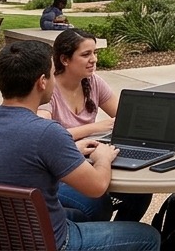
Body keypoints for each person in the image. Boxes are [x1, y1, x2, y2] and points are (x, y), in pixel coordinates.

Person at [0, 41, 160, 250]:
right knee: (148, 237)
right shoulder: (46, 132)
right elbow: (97, 187)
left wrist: (70, 150)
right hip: (46, 243)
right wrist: (103, 158)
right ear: (42, 82)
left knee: (87, 212)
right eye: (53, 74)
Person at [39, 29, 151, 223]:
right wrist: (94, 128)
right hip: (63, 168)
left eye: (95, 53)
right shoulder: (49, 90)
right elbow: (45, 135)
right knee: (97, 202)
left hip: (92, 156)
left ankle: (120, 237)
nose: (94, 59)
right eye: (85, 54)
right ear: (65, 60)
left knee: (141, 192)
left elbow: (123, 116)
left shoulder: (93, 82)